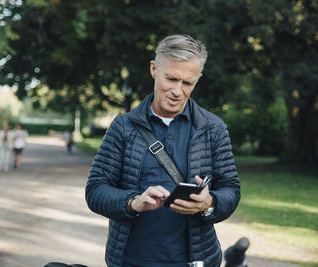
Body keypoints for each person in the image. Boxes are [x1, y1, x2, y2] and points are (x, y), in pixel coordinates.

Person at [86, 34, 241, 267]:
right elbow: (96, 190)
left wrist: (209, 203)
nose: (177, 91)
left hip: (196, 261)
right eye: (171, 78)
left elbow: (231, 189)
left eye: (187, 83)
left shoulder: (213, 128)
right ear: (154, 69)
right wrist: (133, 203)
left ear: (198, 79)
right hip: (131, 260)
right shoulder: (122, 127)